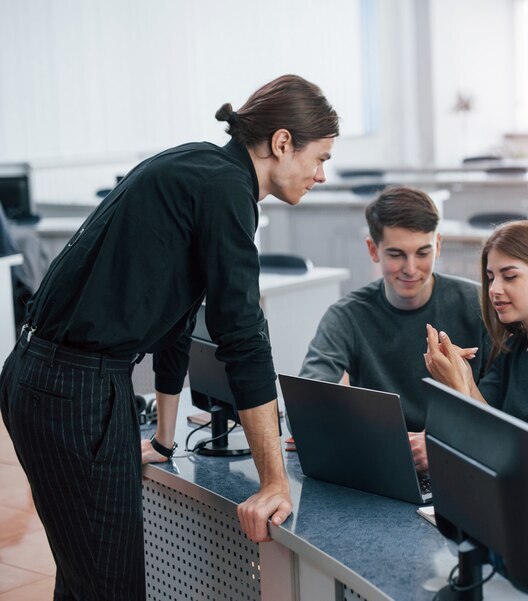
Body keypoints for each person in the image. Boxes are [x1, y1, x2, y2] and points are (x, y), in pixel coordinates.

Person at [0, 74, 339, 600]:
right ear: (281, 143)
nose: (320, 174)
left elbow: (176, 319)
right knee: (110, 588)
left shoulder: (199, 164)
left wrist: (163, 436)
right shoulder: (228, 190)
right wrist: (274, 482)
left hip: (44, 378)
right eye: (320, 158)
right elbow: (243, 336)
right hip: (74, 392)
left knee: (83, 577)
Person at [300, 185, 489, 471]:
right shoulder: (347, 316)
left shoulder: (479, 306)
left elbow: (504, 418)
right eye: (396, 254)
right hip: (380, 462)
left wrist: (445, 443)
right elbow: (305, 409)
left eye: (423, 252)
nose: (411, 268)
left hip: (467, 461)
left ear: (437, 245)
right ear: (373, 250)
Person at [424, 220, 528, 422]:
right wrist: (464, 376)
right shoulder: (514, 348)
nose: (494, 289)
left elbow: (504, 444)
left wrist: (458, 384)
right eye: (490, 278)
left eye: (510, 276)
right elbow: (488, 421)